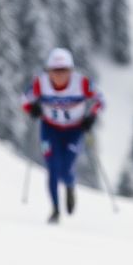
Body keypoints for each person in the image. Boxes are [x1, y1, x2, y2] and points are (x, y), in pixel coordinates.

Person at [22, 47, 103, 224]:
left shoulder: (81, 82)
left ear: (70, 71)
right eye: (55, 71)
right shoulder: (40, 83)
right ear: (48, 71)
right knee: (52, 167)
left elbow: (100, 99)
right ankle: (55, 210)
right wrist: (33, 110)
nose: (59, 75)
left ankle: (70, 185)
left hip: (74, 130)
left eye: (64, 71)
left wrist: (91, 117)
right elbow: (25, 100)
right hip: (50, 129)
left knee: (66, 168)